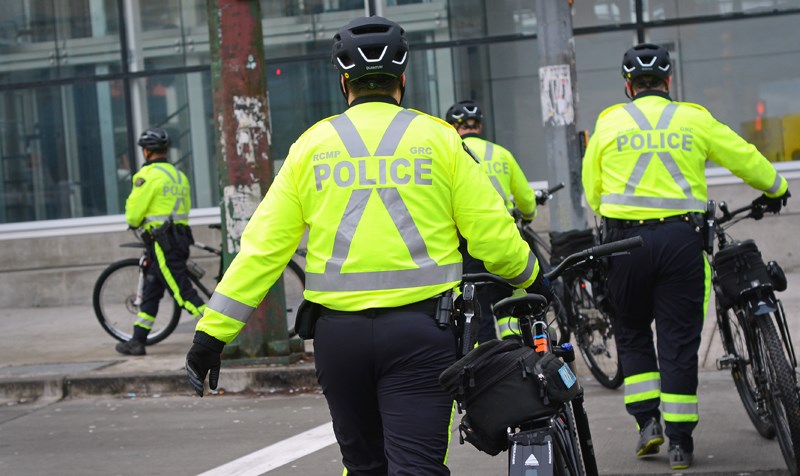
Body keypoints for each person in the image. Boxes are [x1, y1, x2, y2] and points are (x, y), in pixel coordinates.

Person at [185, 16, 548, 476]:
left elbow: (262, 250)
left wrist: (211, 334)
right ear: (402, 78)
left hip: (338, 340)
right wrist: (532, 276)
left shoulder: (311, 147)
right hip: (422, 334)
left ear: (344, 82)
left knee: (362, 467)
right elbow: (492, 237)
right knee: (416, 467)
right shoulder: (439, 139)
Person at [581, 43, 790, 470]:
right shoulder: (693, 118)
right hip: (681, 241)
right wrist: (776, 187)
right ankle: (680, 444)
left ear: (628, 86)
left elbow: (594, 191)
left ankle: (646, 424)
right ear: (669, 81)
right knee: (678, 340)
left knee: (633, 330)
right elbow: (743, 156)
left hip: (624, 245)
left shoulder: (608, 123)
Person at [444, 100, 539, 342]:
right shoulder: (501, 153)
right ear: (480, 126)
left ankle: (486, 363)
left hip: (466, 245)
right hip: (504, 240)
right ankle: (515, 357)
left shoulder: (450, 152)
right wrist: (527, 216)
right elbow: (526, 199)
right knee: (508, 306)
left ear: (454, 127)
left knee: (476, 311)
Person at [116, 127, 206, 356]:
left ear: (146, 152)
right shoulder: (179, 175)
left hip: (161, 242)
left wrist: (136, 222)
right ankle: (137, 340)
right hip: (180, 239)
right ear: (165, 150)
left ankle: (221, 334)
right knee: (152, 291)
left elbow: (133, 216)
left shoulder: (147, 177)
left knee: (183, 292)